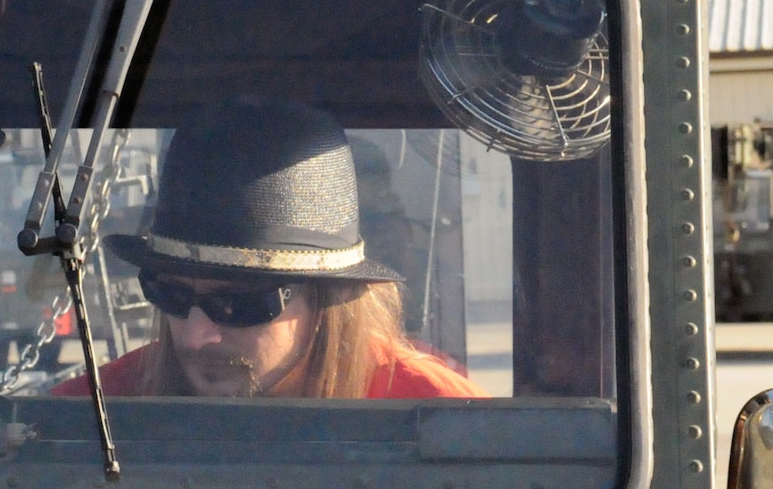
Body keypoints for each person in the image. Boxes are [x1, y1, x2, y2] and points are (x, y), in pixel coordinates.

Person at [54, 103, 483, 400]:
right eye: (171, 295)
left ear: (329, 303)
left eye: (238, 303)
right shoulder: (90, 417)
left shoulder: (446, 423)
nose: (196, 335)